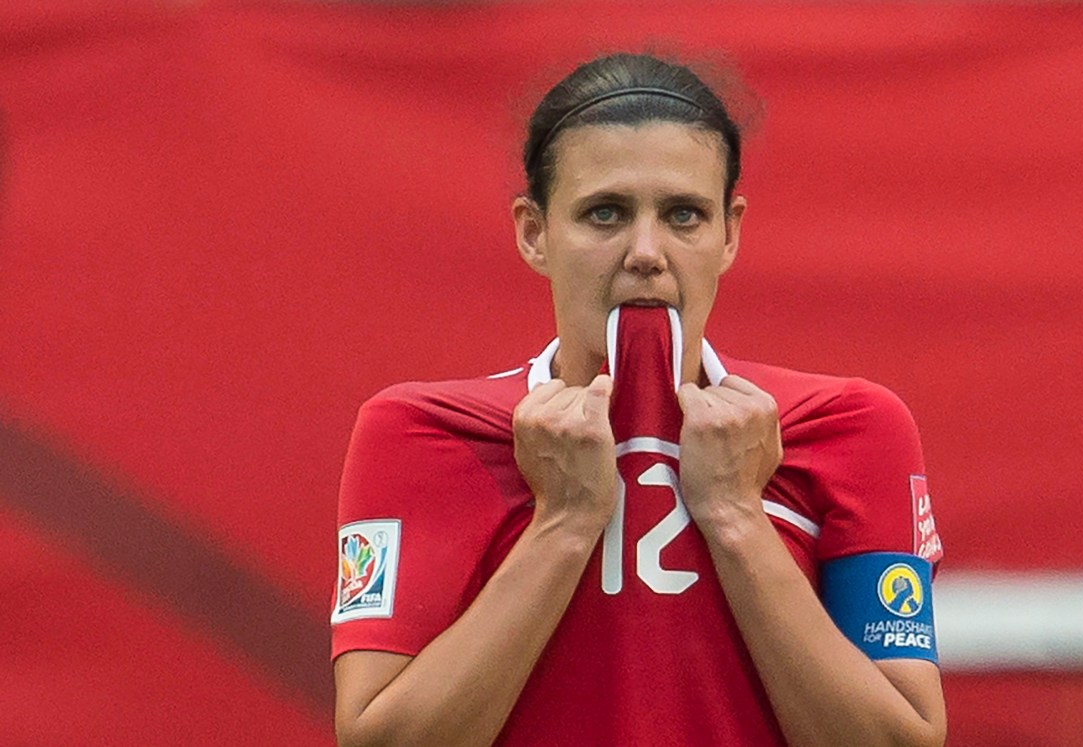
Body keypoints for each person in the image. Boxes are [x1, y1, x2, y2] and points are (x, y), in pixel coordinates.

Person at [330, 52, 947, 747]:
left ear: (729, 232)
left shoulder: (847, 428)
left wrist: (739, 516)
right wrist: (562, 522)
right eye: (605, 213)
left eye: (683, 214)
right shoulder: (423, 433)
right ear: (534, 232)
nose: (646, 250)